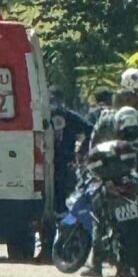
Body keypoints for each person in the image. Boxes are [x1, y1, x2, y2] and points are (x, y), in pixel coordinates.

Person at [82, 106, 138, 277]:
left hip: (127, 190)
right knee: (101, 216)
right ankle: (99, 263)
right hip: (126, 188)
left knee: (98, 218)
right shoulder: (133, 140)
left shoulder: (117, 142)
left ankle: (96, 264)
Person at [41, 86, 93, 262]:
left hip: (47, 166)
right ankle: (63, 250)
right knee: (63, 208)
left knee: (49, 207)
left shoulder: (43, 115)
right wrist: (82, 151)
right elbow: (90, 131)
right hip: (65, 165)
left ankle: (50, 250)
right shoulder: (70, 116)